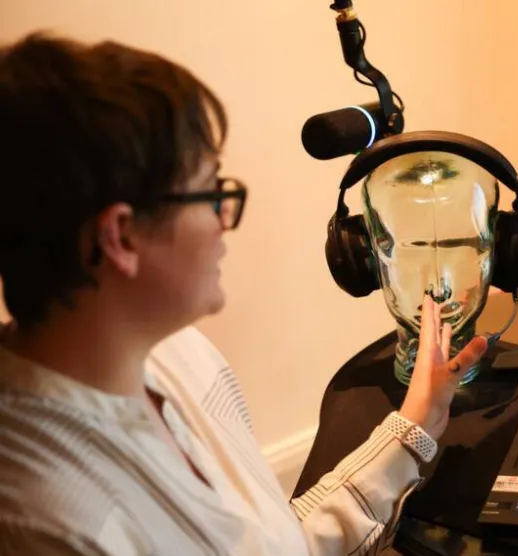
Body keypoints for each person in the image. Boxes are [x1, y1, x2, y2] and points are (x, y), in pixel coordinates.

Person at [0, 32, 488, 555]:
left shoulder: (181, 354)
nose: (224, 221)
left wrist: (413, 425)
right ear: (121, 237)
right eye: (212, 193)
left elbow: (272, 544)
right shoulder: (54, 528)